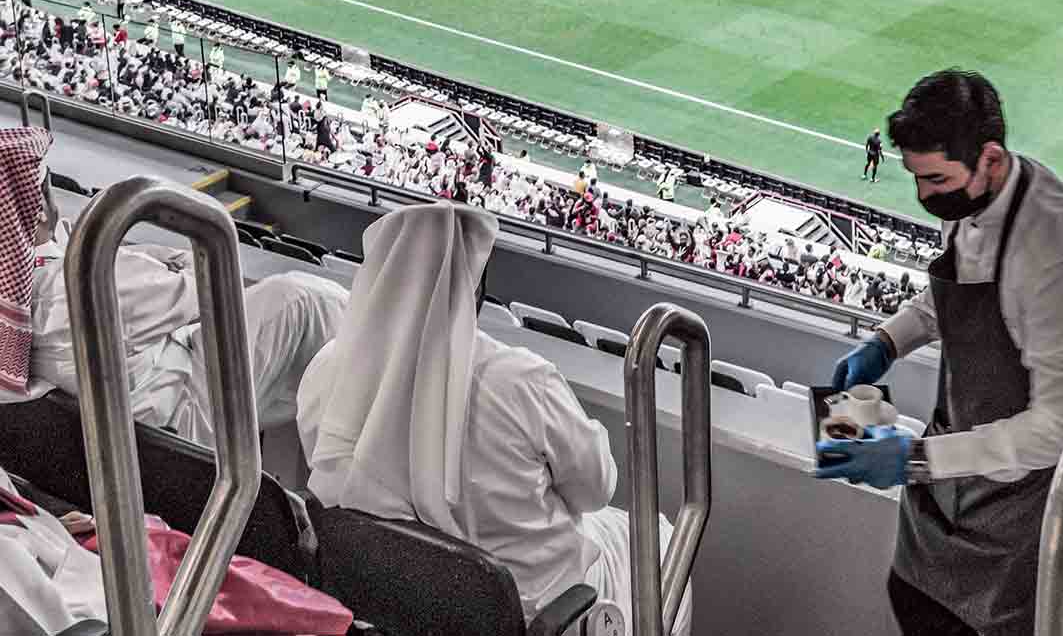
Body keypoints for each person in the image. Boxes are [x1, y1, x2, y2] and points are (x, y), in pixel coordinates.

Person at [815, 70, 1063, 636]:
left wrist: (916, 460)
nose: (924, 197)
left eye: (935, 179)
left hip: (1034, 509)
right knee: (913, 600)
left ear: (990, 159)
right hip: (950, 481)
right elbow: (954, 292)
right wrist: (887, 341)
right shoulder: (970, 203)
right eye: (916, 177)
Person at [297, 203, 692, 633]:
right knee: (665, 540)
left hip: (385, 598)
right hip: (526, 610)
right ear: (477, 289)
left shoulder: (326, 368)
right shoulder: (523, 381)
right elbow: (596, 490)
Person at [0, 128, 349, 448]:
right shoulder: (83, 282)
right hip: (188, 412)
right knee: (299, 299)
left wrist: (158, 268)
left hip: (143, 408)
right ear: (39, 208)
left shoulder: (27, 281)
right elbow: (211, 285)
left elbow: (92, 247)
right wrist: (166, 265)